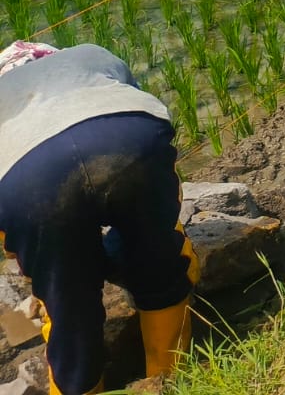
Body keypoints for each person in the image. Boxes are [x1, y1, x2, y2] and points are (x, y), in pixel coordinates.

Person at [0, 41, 199, 395]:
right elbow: (137, 99)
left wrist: (53, 273)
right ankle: (170, 379)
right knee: (158, 260)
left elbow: (18, 241)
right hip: (129, 139)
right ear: (52, 55)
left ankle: (81, 387)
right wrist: (122, 249)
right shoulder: (89, 54)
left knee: (66, 303)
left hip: (28, 183)